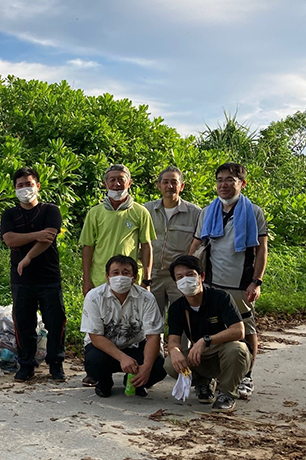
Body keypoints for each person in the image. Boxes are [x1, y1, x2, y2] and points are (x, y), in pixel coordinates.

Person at [189, 163, 267, 400]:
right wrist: (187, 272)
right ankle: (210, 377)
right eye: (220, 179)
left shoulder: (253, 212)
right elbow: (196, 244)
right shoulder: (207, 211)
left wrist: (257, 281)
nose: (223, 184)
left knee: (246, 330)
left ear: (242, 184)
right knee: (211, 329)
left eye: (230, 180)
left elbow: (261, 250)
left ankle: (246, 376)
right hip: (211, 283)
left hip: (240, 285)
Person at [79, 164, 156, 386]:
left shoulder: (140, 212)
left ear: (129, 182)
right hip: (100, 279)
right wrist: (86, 280)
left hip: (130, 278)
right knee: (97, 326)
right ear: (105, 183)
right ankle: (96, 371)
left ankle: (134, 370)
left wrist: (146, 278)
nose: (116, 183)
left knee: (133, 324)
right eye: (112, 179)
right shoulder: (95, 213)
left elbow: (146, 246)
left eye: (121, 179)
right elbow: (87, 247)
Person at [0, 167, 66, 382]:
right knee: (23, 322)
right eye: (20, 185)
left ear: (38, 186)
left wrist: (27, 257)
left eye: (28, 184)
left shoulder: (51, 211)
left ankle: (56, 364)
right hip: (21, 279)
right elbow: (9, 239)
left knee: (55, 321)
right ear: (14, 189)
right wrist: (37, 234)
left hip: (49, 276)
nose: (24, 189)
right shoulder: (9, 214)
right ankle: (26, 365)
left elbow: (49, 239)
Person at [164, 255, 250, 413]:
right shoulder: (177, 308)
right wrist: (174, 351)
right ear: (176, 283)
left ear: (201, 276)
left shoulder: (221, 298)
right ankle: (203, 383)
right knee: (170, 364)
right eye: (180, 277)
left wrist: (206, 340)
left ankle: (227, 394)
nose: (185, 280)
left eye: (190, 274)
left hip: (224, 352)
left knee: (237, 349)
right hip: (200, 357)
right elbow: (174, 340)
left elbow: (238, 331)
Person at [80, 255, 166, 398]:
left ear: (134, 278)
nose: (120, 277)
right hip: (105, 349)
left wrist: (147, 367)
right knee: (95, 362)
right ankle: (104, 382)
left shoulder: (146, 298)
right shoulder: (94, 297)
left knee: (159, 366)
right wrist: (122, 358)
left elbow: (153, 336)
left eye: (126, 273)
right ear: (107, 276)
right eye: (115, 273)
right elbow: (95, 337)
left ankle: (136, 381)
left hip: (135, 346)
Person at [143, 166, 201, 317]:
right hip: (153, 275)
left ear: (181, 186)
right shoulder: (146, 211)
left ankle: (182, 342)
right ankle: (157, 342)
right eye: (165, 182)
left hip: (181, 277)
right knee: (152, 320)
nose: (169, 186)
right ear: (159, 185)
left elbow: (201, 246)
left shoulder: (195, 213)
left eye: (174, 182)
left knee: (184, 318)